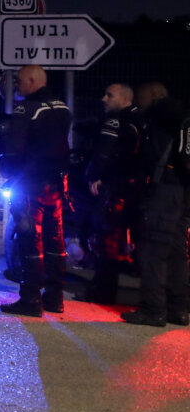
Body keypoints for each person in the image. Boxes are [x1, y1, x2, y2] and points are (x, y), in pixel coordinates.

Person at [0, 65, 72, 317]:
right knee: (55, 240)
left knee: (29, 241)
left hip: (29, 185)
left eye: (19, 81)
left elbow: (15, 150)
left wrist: (7, 172)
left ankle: (30, 299)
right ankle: (55, 297)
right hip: (55, 185)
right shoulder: (63, 108)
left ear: (32, 80)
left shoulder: (25, 110)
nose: (17, 85)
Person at [121, 82, 190, 327]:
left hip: (164, 191)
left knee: (152, 250)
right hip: (183, 191)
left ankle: (153, 310)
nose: (138, 102)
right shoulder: (180, 114)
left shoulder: (161, 116)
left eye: (140, 97)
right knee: (175, 251)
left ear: (152, 95)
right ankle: (179, 309)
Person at [79, 83, 140, 304]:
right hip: (136, 188)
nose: (104, 99)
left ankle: (101, 292)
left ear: (124, 99)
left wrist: (94, 177)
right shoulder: (140, 120)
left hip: (114, 188)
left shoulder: (115, 122)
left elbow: (103, 155)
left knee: (105, 239)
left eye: (109, 95)